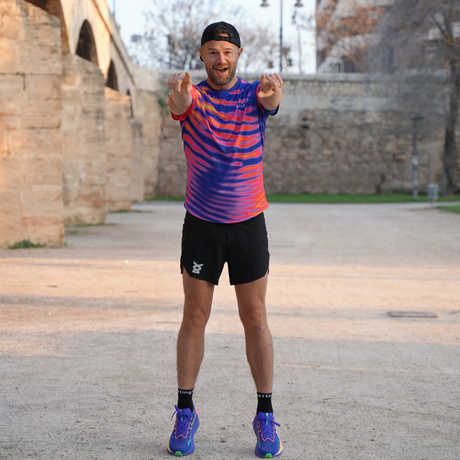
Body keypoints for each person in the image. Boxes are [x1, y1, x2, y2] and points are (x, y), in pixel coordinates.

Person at [166, 21, 283, 458]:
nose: (220, 59)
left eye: (227, 52)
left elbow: (271, 100)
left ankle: (265, 416)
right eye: (213, 51)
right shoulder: (192, 97)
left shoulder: (254, 95)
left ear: (238, 56)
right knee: (194, 315)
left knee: (255, 317)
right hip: (202, 225)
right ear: (202, 55)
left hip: (248, 224)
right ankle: (185, 411)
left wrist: (274, 93)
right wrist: (178, 95)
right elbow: (178, 104)